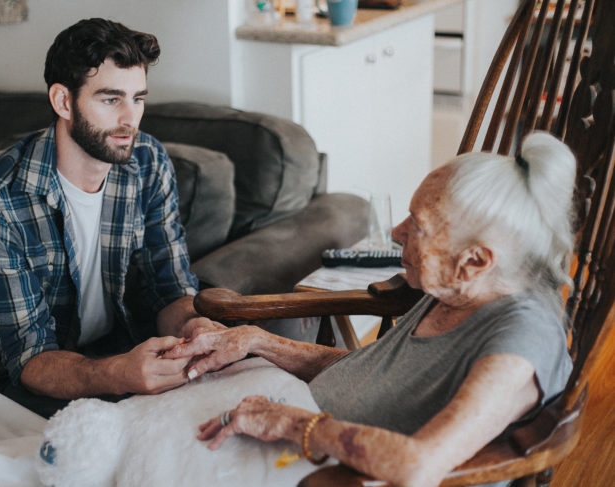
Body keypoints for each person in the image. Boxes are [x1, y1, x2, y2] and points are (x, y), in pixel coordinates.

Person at [165, 131, 575, 486]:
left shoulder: (522, 339)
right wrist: (259, 342)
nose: (397, 233)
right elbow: (373, 378)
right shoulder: (456, 289)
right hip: (312, 453)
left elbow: (419, 465)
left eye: (417, 225)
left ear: (475, 261)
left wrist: (290, 423)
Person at [0, 18, 223, 418]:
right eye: (111, 100)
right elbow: (29, 356)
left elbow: (169, 284)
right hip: (5, 384)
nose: (131, 119)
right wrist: (119, 374)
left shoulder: (148, 161)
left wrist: (192, 326)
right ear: (62, 102)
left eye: (138, 98)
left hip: (114, 349)